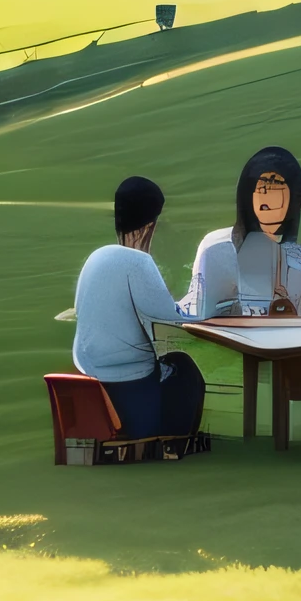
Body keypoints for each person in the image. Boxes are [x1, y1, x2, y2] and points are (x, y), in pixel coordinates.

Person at [71, 173, 206, 442]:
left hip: (88, 375)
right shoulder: (139, 263)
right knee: (185, 367)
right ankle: (173, 443)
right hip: (128, 385)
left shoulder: (95, 258)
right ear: (149, 226)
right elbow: (172, 326)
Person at [187, 145, 301, 321]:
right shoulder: (216, 247)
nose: (265, 192)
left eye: (276, 184)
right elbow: (197, 312)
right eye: (259, 185)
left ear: (294, 195)